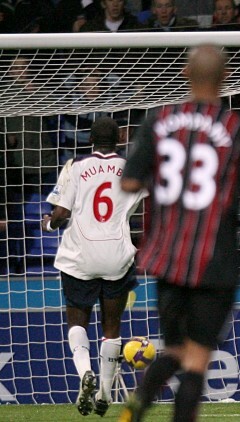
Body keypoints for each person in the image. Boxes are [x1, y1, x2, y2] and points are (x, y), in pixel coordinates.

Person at [117, 44, 240, 422]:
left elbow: (129, 183)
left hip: (168, 257)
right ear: (226, 79)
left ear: (185, 74)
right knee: (196, 360)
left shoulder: (158, 119)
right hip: (215, 260)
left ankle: (136, 405)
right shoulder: (236, 126)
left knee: (174, 350)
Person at [41, 117, 147, 417]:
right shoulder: (130, 169)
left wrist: (49, 224)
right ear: (119, 140)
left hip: (81, 254)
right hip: (116, 253)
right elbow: (141, 205)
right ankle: (103, 393)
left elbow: (61, 213)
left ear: (90, 140)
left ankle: (84, 372)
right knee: (111, 328)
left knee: (77, 321)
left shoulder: (76, 166)